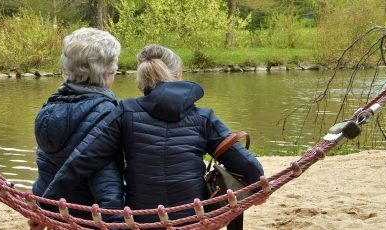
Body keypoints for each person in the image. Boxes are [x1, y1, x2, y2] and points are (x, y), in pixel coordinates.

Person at [43, 45, 264, 227]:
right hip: (193, 219)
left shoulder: (124, 112)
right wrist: (259, 187)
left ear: (141, 83)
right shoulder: (203, 117)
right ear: (178, 76)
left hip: (143, 221)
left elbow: (82, 161)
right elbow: (248, 166)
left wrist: (44, 205)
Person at [31, 27, 124, 223]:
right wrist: (116, 223)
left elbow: (46, 167)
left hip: (53, 210)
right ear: (108, 73)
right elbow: (106, 182)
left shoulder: (49, 107)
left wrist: (39, 210)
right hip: (87, 217)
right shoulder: (108, 113)